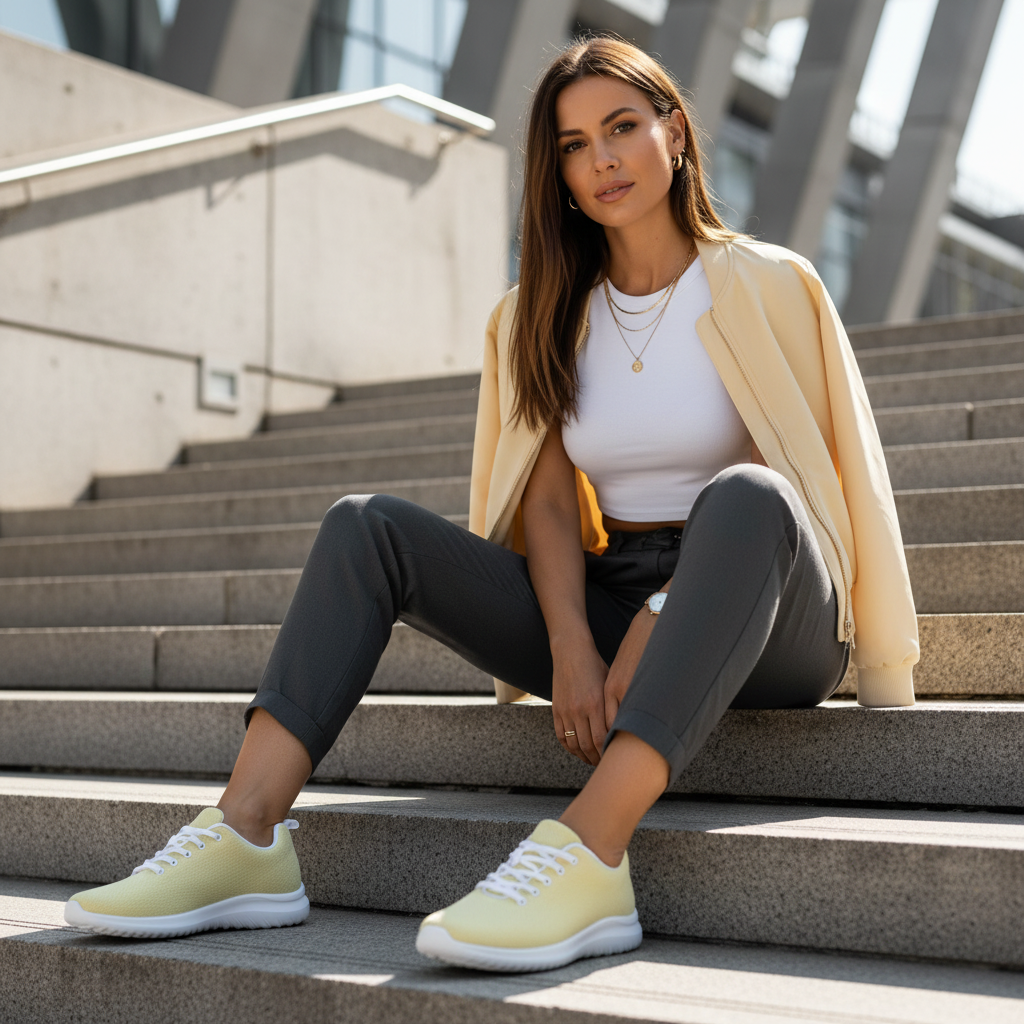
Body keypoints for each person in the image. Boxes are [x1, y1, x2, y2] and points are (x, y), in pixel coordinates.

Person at [64, 37, 918, 972]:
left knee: (748, 496)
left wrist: (667, 614)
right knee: (366, 527)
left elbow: (790, 471)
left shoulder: (767, 282)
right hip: (613, 583)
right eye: (573, 143)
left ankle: (587, 855)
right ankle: (245, 837)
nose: (601, 160)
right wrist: (572, 645)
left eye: (623, 128)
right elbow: (548, 508)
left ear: (674, 133)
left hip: (771, 602)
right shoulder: (537, 314)